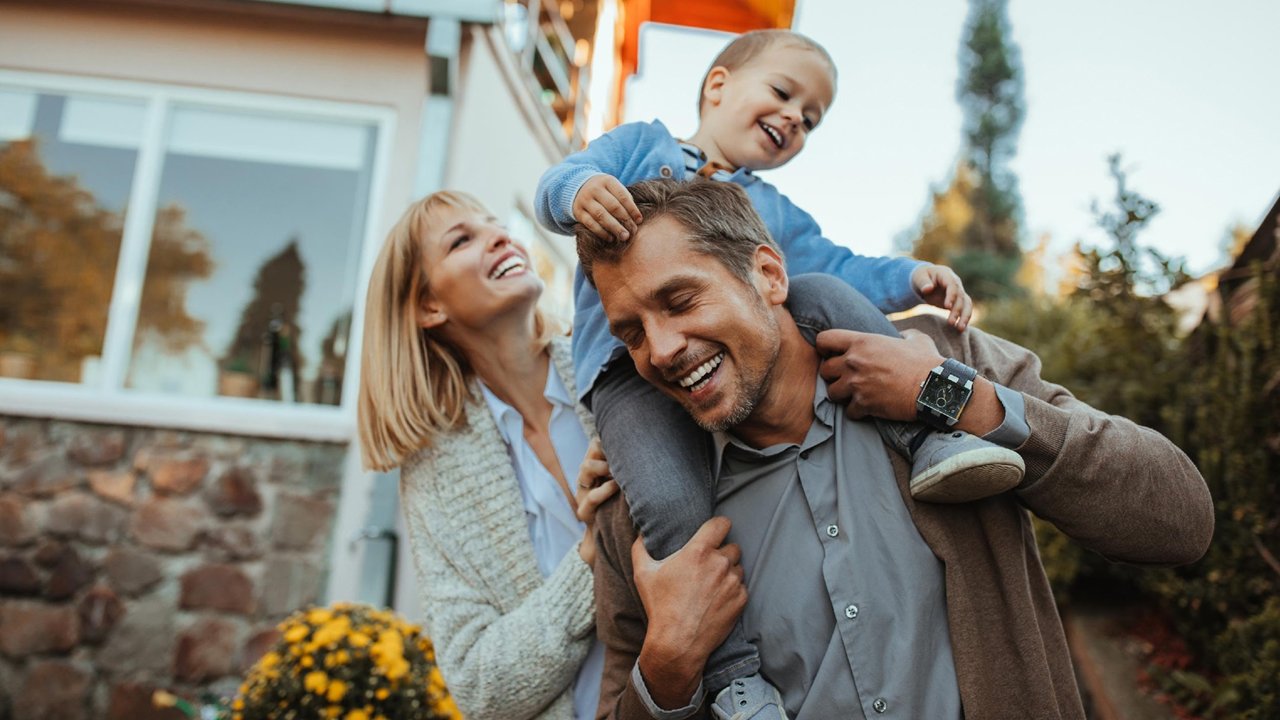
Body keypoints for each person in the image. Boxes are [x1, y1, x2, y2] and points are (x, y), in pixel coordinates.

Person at [578, 178, 1215, 720]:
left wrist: (952, 397)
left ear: (768, 275)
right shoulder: (640, 514)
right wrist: (668, 666)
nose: (661, 350)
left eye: (680, 301)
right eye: (632, 334)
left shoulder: (941, 360)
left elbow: (1179, 520)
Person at [535, 29, 1024, 718]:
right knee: (671, 503)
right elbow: (558, 181)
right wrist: (580, 191)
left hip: (755, 357)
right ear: (718, 86)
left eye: (811, 118)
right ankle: (734, 676)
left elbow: (842, 265)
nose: (796, 117)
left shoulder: (773, 213)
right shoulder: (640, 145)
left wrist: (910, 276)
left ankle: (930, 436)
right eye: (784, 93)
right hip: (626, 378)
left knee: (824, 292)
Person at [357, 190, 621, 720]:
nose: (500, 237)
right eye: (462, 240)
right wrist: (591, 555)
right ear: (429, 306)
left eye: (496, 224)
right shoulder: (436, 472)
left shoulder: (612, 371)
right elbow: (479, 687)